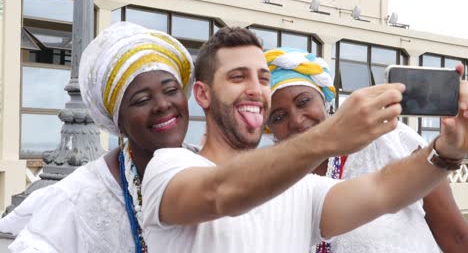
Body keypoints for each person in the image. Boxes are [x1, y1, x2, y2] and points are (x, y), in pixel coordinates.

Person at [141, 27, 468, 252]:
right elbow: (219, 193)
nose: (255, 89)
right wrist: (330, 136)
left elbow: (383, 190)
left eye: (263, 78)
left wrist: (447, 150)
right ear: (203, 94)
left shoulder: (301, 188)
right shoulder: (169, 167)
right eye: (238, 77)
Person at [0, 22, 195, 252]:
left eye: (171, 90)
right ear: (118, 122)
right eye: (142, 100)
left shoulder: (210, 167)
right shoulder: (79, 197)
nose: (163, 104)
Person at [265, 47, 468, 252]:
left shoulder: (387, 138)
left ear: (325, 100)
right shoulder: (268, 190)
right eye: (278, 117)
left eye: (303, 102)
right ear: (269, 129)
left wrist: (451, 148)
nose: (297, 120)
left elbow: (456, 238)